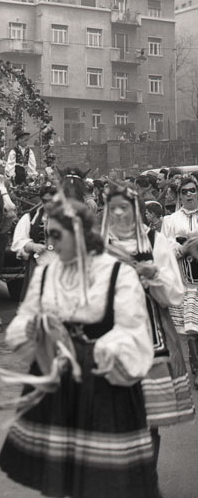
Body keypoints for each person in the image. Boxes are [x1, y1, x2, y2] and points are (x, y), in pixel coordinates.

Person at [0, 198, 159, 498]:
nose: (51, 243)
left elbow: (134, 330)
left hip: (103, 383)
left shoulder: (117, 272)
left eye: (57, 235)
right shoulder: (46, 273)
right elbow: (23, 321)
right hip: (55, 382)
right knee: (58, 477)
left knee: (105, 483)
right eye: (49, 234)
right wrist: (34, 331)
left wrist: (97, 351)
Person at [100, 183, 193, 470]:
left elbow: (174, 294)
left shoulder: (154, 241)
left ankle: (146, 478)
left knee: (146, 416)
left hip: (150, 335)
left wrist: (153, 277)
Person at [161, 174, 198, 387]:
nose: (189, 194)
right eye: (184, 192)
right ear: (179, 196)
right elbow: (164, 251)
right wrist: (182, 249)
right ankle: (196, 368)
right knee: (191, 332)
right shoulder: (171, 221)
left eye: (193, 190)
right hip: (185, 282)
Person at [11, 184, 57, 301]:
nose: (48, 205)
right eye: (45, 201)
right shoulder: (30, 217)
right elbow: (18, 241)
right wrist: (32, 246)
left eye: (52, 201)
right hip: (38, 264)